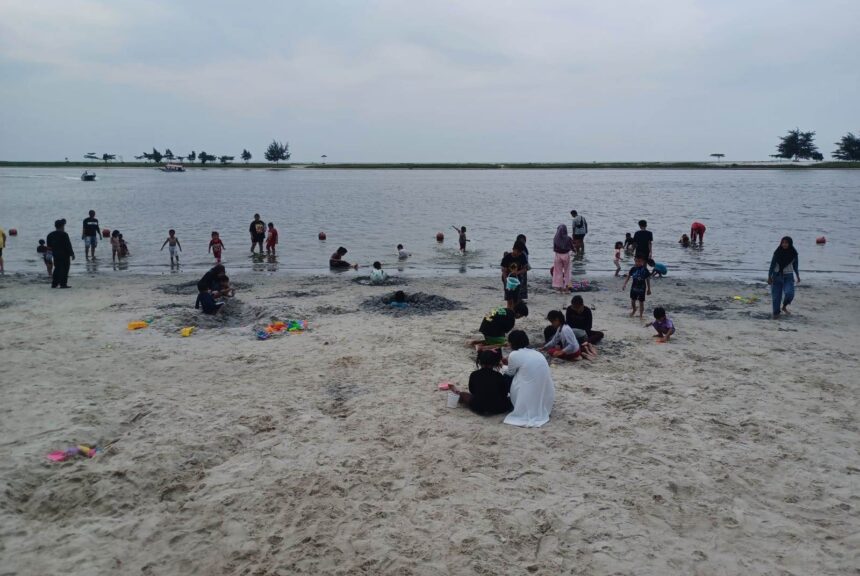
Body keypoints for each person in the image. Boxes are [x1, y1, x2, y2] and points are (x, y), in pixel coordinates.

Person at [503, 331, 555, 428]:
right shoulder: (536, 353)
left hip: (528, 394)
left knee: (505, 377)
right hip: (545, 397)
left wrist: (502, 365)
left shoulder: (514, 354)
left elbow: (510, 373)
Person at [448, 349, 514, 415]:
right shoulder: (498, 376)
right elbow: (504, 393)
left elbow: (472, 391)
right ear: (494, 363)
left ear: (479, 361)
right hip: (498, 408)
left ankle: (457, 392)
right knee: (511, 399)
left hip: (478, 407)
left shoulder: (474, 374)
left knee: (462, 394)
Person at [768, 236, 800, 319]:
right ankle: (776, 314)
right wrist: (769, 276)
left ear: (790, 243)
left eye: (786, 243)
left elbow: (795, 266)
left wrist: (797, 275)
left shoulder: (794, 253)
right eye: (783, 243)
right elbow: (772, 265)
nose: (784, 244)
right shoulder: (777, 253)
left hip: (788, 276)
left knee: (789, 293)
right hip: (776, 276)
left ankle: (784, 306)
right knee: (776, 297)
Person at [46, 219, 74, 288]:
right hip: (65, 254)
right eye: (63, 226)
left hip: (55, 254)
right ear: (62, 226)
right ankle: (63, 284)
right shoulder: (64, 234)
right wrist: (72, 254)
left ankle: (54, 284)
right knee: (65, 269)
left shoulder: (50, 235)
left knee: (57, 268)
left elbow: (49, 247)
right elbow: (68, 245)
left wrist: (49, 255)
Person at [500, 241, 528, 308]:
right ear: (513, 249)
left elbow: (525, 268)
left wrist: (518, 272)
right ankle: (508, 311)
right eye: (517, 251)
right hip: (507, 278)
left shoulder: (522, 256)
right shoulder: (507, 257)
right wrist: (506, 281)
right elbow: (503, 271)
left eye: (520, 252)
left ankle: (513, 312)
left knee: (515, 298)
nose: (518, 254)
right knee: (509, 299)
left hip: (517, 279)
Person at [551, 224, 573, 291]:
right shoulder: (568, 238)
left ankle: (559, 287)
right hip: (566, 255)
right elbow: (572, 247)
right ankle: (567, 287)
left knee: (558, 272)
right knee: (567, 271)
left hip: (558, 255)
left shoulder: (555, 238)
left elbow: (554, 248)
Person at [515, 234, 530, 300]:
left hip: (523, 269)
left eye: (524, 240)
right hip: (518, 269)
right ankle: (519, 298)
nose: (523, 242)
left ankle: (521, 298)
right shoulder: (517, 248)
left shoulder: (524, 250)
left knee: (522, 283)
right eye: (521, 240)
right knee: (519, 283)